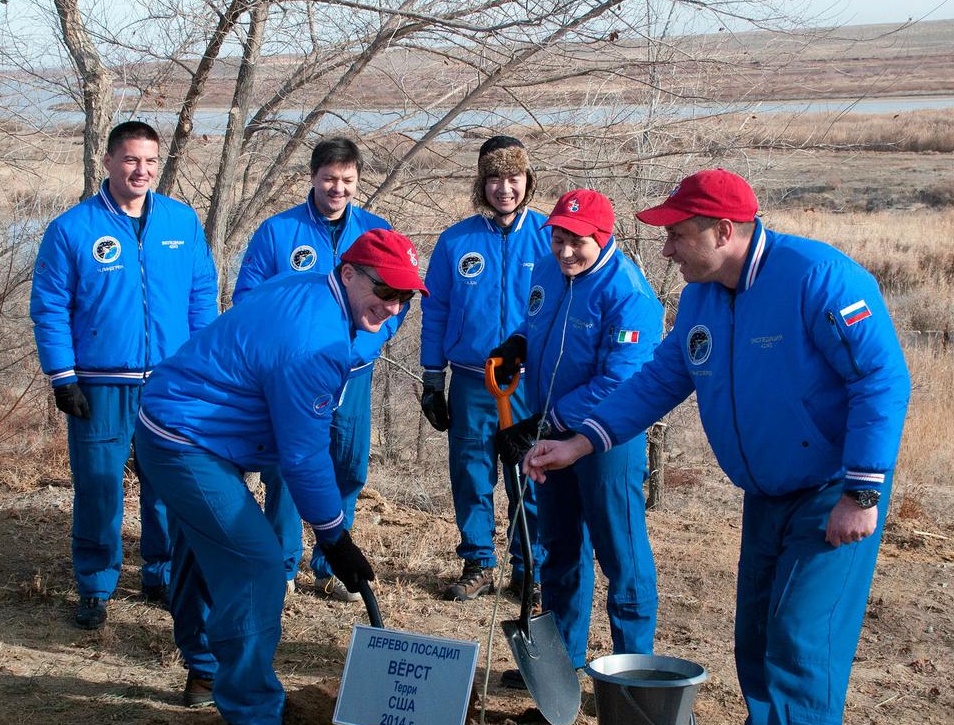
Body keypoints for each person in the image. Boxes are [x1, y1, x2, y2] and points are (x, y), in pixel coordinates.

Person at [522, 169, 911, 725]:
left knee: (800, 652)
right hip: (767, 495)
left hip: (831, 496)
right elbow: (662, 378)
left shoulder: (817, 278)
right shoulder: (704, 296)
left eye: (678, 233)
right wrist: (582, 441)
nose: (666, 246)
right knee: (756, 646)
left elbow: (881, 378)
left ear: (724, 232)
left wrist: (863, 489)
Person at [135, 229, 426, 725]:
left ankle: (205, 670)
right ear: (348, 273)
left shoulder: (316, 290)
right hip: (184, 438)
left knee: (215, 547)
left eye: (404, 298)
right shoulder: (314, 343)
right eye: (384, 290)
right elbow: (304, 455)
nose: (392, 307)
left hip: (195, 428)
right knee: (256, 563)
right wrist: (334, 534)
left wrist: (330, 533)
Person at [30, 120, 218, 630]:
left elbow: (202, 295)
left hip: (169, 383)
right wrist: (62, 376)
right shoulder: (73, 229)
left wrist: (200, 365)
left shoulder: (181, 222)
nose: (142, 170)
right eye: (132, 160)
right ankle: (95, 583)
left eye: (150, 161)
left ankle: (159, 572)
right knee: (99, 485)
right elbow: (49, 307)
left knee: (167, 485)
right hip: (99, 383)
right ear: (110, 161)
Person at [489, 188, 662, 689]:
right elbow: (540, 323)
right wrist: (518, 343)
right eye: (559, 238)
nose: (565, 250)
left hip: (609, 439)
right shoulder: (547, 270)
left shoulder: (628, 294)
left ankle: (635, 675)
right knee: (560, 544)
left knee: (620, 554)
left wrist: (548, 420)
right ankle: (562, 662)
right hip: (551, 430)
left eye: (577, 241)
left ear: (602, 238)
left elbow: (621, 380)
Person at [234, 137, 404, 599]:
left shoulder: (374, 232)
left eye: (348, 180)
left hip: (353, 371)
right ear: (312, 177)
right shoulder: (278, 231)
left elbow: (397, 300)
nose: (338, 188)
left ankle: (331, 562)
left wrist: (364, 343)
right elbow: (247, 299)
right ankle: (282, 564)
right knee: (291, 465)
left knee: (347, 466)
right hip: (293, 375)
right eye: (330, 178)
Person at [419, 136, 549, 601]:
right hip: (472, 379)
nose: (504, 188)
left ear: (527, 181)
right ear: (482, 183)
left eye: (513, 178)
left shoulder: (550, 236)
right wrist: (433, 378)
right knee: (472, 471)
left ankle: (528, 565)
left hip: (525, 383)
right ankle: (478, 560)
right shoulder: (457, 241)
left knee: (527, 472)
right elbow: (435, 312)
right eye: (494, 178)